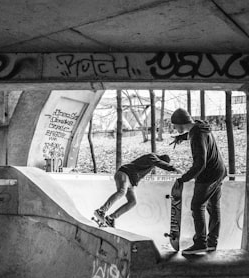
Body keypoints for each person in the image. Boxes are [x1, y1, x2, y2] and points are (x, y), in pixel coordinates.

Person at [170, 108, 227, 255]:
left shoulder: (196, 135)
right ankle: (212, 243)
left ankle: (201, 242)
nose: (175, 129)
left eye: (175, 126)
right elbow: (192, 135)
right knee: (213, 206)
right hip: (219, 170)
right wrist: (181, 138)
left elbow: (200, 163)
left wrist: (183, 179)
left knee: (197, 205)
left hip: (209, 174)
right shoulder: (200, 127)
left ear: (181, 124)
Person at [94, 153, 181, 227]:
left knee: (133, 202)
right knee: (122, 192)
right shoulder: (152, 156)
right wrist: (173, 168)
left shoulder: (150, 164)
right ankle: (101, 211)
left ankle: (111, 218)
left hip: (130, 182)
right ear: (161, 159)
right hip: (124, 174)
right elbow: (159, 163)